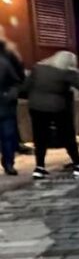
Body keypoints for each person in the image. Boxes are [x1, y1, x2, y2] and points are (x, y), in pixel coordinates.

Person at [23, 51, 79, 179]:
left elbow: (26, 87)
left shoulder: (38, 68)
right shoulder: (68, 72)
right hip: (58, 108)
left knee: (40, 137)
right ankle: (78, 165)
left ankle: (39, 168)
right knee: (67, 136)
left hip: (36, 107)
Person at [0, 26, 24, 175]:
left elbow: (17, 80)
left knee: (7, 135)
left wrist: (11, 94)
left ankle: (9, 162)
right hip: (6, 103)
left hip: (4, 103)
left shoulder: (5, 59)